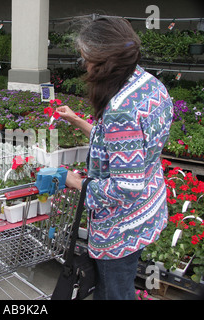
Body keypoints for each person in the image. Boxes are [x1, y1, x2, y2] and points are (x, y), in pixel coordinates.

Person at [56, 16, 173, 300]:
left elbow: (125, 187)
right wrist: (79, 122)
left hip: (120, 228)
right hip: (146, 212)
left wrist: (76, 183)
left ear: (104, 62)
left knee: (113, 293)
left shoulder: (120, 111)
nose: (85, 66)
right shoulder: (148, 83)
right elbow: (130, 146)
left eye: (87, 59)